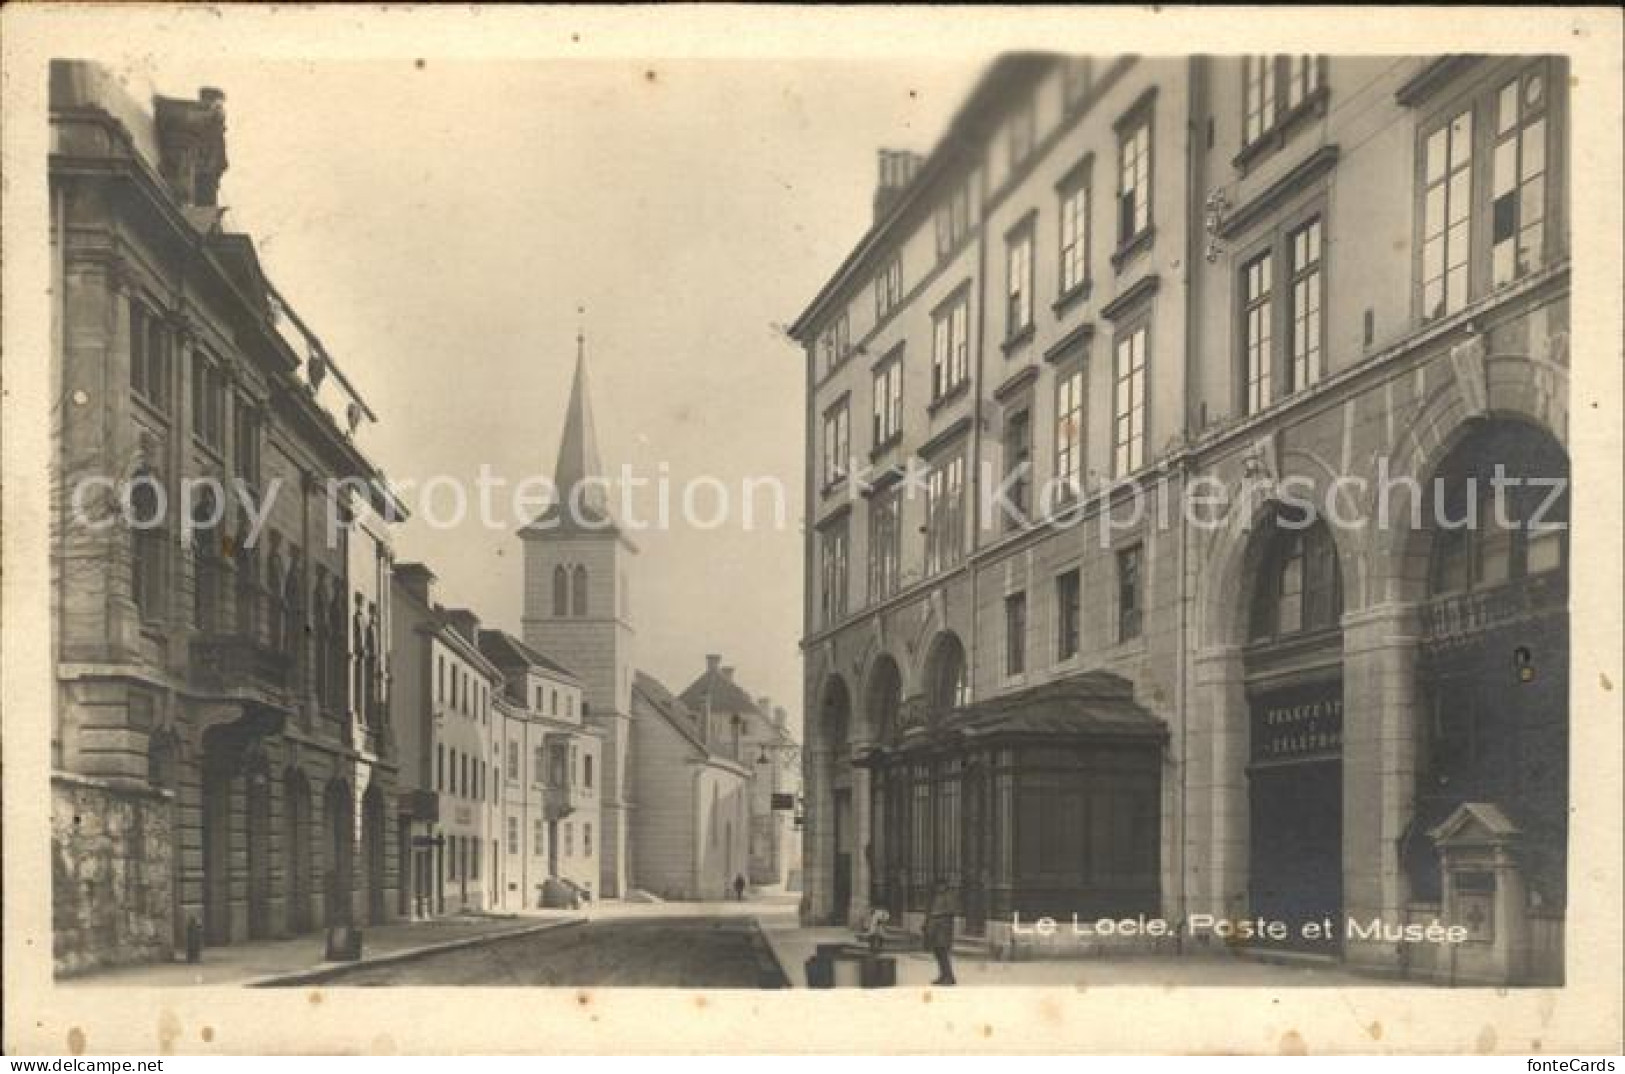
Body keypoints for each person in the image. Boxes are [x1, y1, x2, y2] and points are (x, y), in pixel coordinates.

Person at [924, 879, 958, 986]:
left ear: (945, 886)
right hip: (936, 929)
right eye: (938, 886)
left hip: (943, 929)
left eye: (941, 886)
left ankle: (949, 977)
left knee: (943, 954)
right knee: (938, 953)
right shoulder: (936, 896)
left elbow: (951, 911)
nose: (939, 888)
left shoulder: (948, 896)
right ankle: (943, 975)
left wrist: (937, 915)